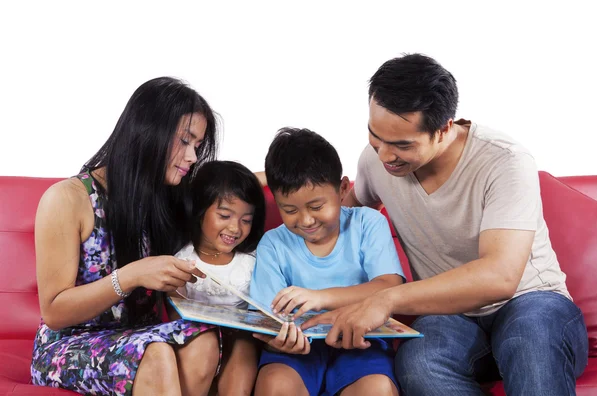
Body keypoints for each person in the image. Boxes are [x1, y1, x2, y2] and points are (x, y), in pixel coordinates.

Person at [303, 54, 589, 395]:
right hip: (449, 316)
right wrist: (263, 181)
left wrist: (386, 300)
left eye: (402, 145)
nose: (384, 155)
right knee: (419, 363)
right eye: (374, 135)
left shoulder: (504, 161)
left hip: (531, 302)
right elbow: (337, 217)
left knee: (531, 342)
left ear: (443, 129)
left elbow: (500, 277)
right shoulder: (377, 161)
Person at [32, 77, 224, 396]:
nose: (192, 157)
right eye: (185, 141)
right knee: (155, 352)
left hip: (137, 337)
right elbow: (54, 312)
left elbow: (232, 186)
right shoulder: (68, 198)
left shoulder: (164, 198)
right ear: (148, 132)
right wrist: (132, 275)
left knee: (203, 338)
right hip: (67, 346)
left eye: (198, 146)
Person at [249, 128, 405, 396]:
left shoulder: (368, 223)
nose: (306, 220)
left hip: (360, 343)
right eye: (290, 210)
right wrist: (277, 341)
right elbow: (264, 319)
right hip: (297, 352)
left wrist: (319, 297)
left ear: (343, 189)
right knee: (275, 386)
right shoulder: (273, 244)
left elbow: (389, 286)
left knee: (376, 389)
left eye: (317, 207)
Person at [169, 160, 266, 395]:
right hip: (197, 345)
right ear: (200, 211)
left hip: (242, 343)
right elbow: (174, 320)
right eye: (225, 215)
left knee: (245, 345)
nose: (235, 228)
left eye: (246, 220)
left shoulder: (252, 260)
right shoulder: (181, 260)